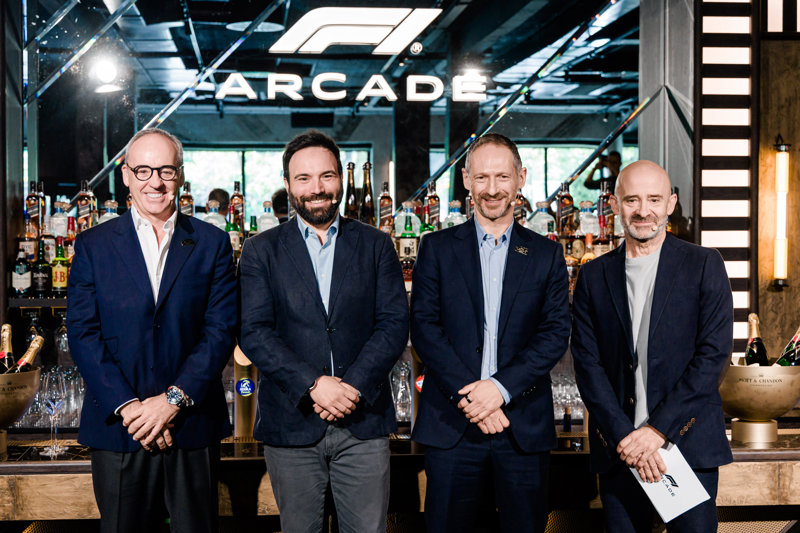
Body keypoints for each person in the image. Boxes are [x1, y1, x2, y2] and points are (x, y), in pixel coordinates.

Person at [67, 128, 238, 533]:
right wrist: (131, 408)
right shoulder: (92, 245)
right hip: (120, 429)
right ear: (125, 175)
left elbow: (220, 330)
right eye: (143, 170)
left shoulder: (212, 243)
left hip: (191, 425)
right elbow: (83, 334)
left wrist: (172, 401)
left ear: (180, 175)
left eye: (165, 170)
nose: (155, 182)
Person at [239, 130, 408, 533]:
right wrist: (314, 385)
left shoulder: (377, 245)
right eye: (304, 178)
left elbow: (393, 324)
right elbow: (254, 332)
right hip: (291, 423)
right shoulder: (260, 250)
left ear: (341, 180)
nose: (316, 188)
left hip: (363, 422)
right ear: (287, 184)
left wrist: (351, 388)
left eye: (327, 176)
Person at [410, 133, 571, 533]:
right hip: (452, 425)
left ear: (521, 179)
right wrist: (473, 396)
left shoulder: (545, 253)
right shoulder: (436, 248)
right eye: (481, 177)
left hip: (521, 427)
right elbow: (425, 328)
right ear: (466, 180)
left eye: (502, 177)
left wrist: (498, 389)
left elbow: (554, 333)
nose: (492, 189)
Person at [571, 160, 733, 532]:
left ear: (671, 203)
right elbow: (588, 365)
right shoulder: (593, 275)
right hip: (621, 451)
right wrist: (627, 438)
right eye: (632, 200)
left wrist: (656, 431)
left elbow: (713, 358)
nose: (643, 211)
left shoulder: (704, 264)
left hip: (687, 448)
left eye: (654, 199)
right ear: (614, 205)